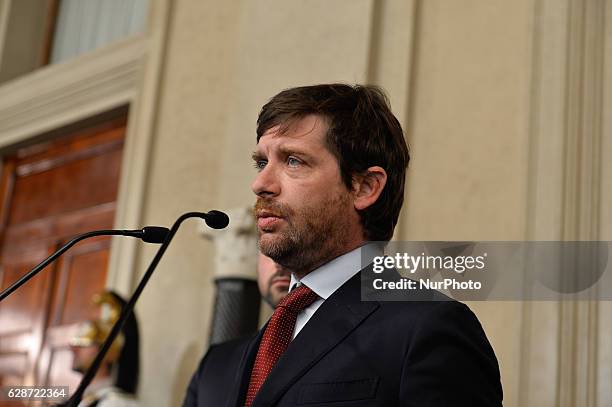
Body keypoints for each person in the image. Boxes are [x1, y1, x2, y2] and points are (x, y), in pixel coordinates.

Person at [183, 84, 503, 406]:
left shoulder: (429, 329)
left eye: (293, 161)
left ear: (364, 187)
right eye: (261, 163)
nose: (260, 184)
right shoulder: (216, 364)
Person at [69, 290, 140, 407]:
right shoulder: (83, 400)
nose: (74, 349)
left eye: (85, 343)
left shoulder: (116, 404)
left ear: (108, 352)